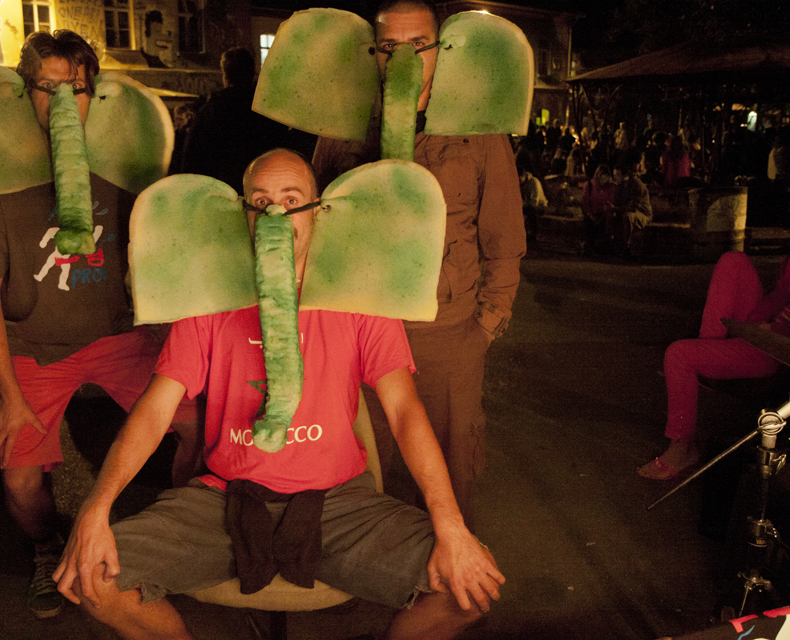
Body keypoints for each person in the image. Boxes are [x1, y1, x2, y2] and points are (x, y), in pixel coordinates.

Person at [53, 148, 505, 639]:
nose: (276, 215)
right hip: (226, 496)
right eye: (261, 201)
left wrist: (450, 523)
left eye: (292, 200)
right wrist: (96, 508)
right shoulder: (210, 300)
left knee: (468, 590)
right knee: (91, 582)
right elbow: (154, 410)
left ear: (317, 212)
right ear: (244, 214)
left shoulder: (357, 297)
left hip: (339, 501)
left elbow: (404, 411)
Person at [0, 29, 196, 620]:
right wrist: (9, 397)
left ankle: (188, 534)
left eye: (78, 89)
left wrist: (170, 337)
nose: (64, 101)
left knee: (201, 424)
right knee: (19, 478)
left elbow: (161, 262)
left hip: (117, 335)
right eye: (48, 88)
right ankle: (45, 548)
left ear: (95, 95)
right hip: (33, 346)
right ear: (26, 94)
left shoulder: (121, 172)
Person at [311, 0, 526, 529]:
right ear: (374, 52)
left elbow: (504, 236)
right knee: (367, 463)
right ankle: (372, 561)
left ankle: (449, 563)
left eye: (419, 44)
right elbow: (313, 225)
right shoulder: (344, 125)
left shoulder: (478, 127)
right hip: (361, 327)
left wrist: (485, 326)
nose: (403, 58)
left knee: (451, 468)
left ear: (440, 50)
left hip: (446, 331)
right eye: (389, 46)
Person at [639, 252, 790, 480]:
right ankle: (708, 351)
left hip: (778, 349)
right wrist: (757, 322)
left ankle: (682, 449)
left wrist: (772, 331)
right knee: (734, 261)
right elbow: (781, 293)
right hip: (767, 331)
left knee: (678, 355)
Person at [180, 46, 287, 192]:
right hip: (262, 190)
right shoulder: (267, 111)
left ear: (225, 76)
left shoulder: (209, 112)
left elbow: (192, 160)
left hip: (221, 191)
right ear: (252, 75)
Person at [611, 159, 653, 258]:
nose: (615, 178)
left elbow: (633, 207)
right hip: (627, 210)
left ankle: (626, 246)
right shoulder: (619, 186)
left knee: (627, 216)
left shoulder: (637, 185)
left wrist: (616, 209)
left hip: (642, 213)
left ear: (625, 175)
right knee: (612, 215)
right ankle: (612, 243)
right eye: (614, 175)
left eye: (618, 175)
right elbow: (618, 203)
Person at [581, 164, 616, 255]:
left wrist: (605, 211)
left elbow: (611, 201)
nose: (603, 181)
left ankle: (599, 247)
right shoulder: (589, 185)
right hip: (591, 214)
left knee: (604, 227)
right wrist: (591, 215)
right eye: (601, 178)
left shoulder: (611, 187)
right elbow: (585, 202)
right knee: (589, 225)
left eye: (606, 178)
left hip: (604, 215)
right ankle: (588, 246)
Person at [518, 163, 547, 244]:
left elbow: (534, 201)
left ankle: (532, 233)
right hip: (526, 205)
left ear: (523, 176)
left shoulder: (534, 182)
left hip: (539, 206)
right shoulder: (521, 183)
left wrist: (522, 205)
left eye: (519, 179)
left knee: (531, 211)